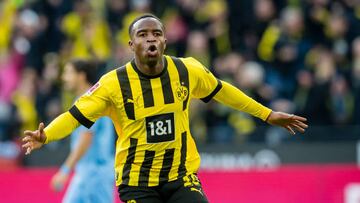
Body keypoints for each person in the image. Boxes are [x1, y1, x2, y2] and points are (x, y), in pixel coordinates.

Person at [22, 14, 308, 203]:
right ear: (131, 44)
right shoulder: (113, 84)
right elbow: (73, 117)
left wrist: (267, 114)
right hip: (137, 182)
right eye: (143, 34)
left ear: (164, 40)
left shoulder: (187, 70)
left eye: (156, 33)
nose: (150, 38)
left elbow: (224, 92)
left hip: (180, 176)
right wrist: (45, 136)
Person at [49, 60, 116, 203]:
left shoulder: (92, 102)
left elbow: (86, 138)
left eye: (68, 72)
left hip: (95, 175)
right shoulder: (85, 100)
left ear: (81, 76)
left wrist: (65, 171)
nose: (64, 77)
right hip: (91, 173)